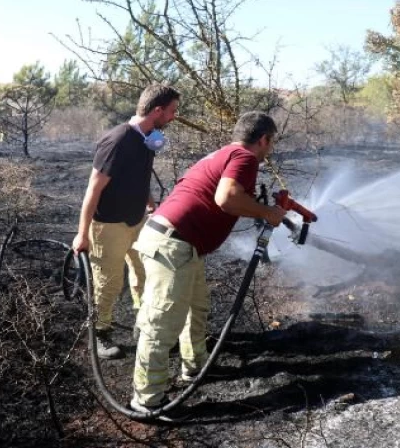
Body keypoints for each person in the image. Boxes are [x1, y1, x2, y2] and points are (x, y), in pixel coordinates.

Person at [129, 111, 287, 413]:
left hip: (180, 243)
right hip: (172, 243)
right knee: (162, 323)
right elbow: (226, 198)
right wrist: (267, 212)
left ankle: (195, 368)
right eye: (272, 142)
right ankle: (148, 400)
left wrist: (264, 208)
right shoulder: (244, 157)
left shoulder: (224, 153)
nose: (271, 149)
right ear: (263, 139)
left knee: (196, 308)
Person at [73, 84, 180, 359]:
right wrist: (82, 234)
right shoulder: (118, 141)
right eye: (171, 111)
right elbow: (93, 189)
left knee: (145, 274)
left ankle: (145, 326)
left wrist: (150, 201)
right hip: (108, 225)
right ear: (157, 111)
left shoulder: (148, 138)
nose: (173, 116)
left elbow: (137, 176)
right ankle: (100, 334)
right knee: (108, 282)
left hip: (137, 222)